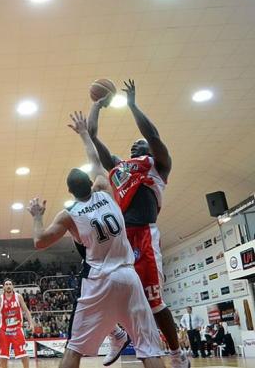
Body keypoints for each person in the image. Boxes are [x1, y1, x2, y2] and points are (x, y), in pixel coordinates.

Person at [26, 111, 164, 368]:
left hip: (99, 279)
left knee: (74, 347)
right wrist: (83, 133)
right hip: (128, 275)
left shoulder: (69, 214)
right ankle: (119, 336)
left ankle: (116, 335)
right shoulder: (105, 189)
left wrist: (37, 216)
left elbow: (40, 242)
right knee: (148, 349)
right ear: (91, 182)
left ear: (70, 192)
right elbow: (93, 159)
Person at [87, 80, 188, 368]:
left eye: (140, 144)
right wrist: (97, 104)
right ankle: (117, 334)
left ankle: (177, 354)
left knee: (155, 302)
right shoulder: (119, 168)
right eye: (133, 145)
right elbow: (93, 137)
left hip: (144, 234)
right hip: (121, 239)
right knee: (100, 290)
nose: (135, 144)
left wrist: (131, 105)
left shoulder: (159, 165)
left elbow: (152, 134)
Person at [0, 279, 35, 368]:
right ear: (3, 287)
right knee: (3, 356)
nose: (8, 286)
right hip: (4, 331)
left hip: (17, 330)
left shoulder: (18, 297)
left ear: (13, 286)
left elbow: (26, 311)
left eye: (10, 284)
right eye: (6, 284)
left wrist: (31, 324)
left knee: (23, 354)